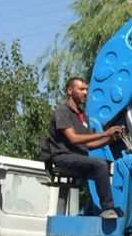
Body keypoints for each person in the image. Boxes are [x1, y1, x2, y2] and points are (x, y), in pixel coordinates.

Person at [46, 76, 125, 221]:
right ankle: (108, 208)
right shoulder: (62, 111)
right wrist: (105, 133)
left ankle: (95, 209)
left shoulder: (83, 117)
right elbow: (73, 138)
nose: (85, 93)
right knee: (99, 164)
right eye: (81, 89)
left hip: (78, 157)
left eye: (86, 90)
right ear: (70, 91)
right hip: (62, 157)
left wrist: (111, 139)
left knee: (106, 165)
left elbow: (87, 145)